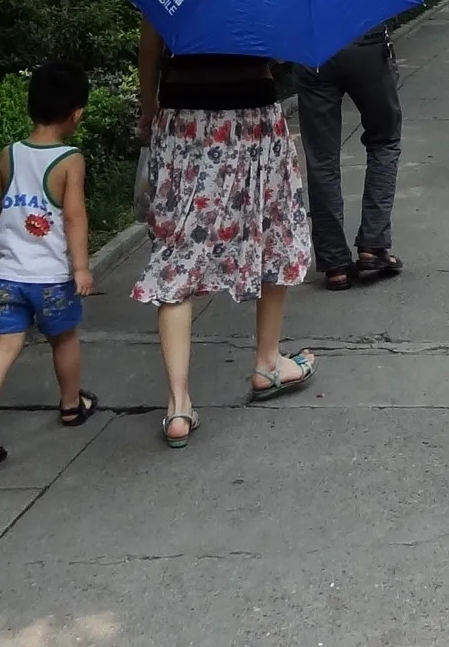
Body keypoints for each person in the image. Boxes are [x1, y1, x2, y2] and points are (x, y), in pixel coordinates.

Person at [133, 25, 315, 446]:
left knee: (178, 254)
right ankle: (268, 363)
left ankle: (178, 404)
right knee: (273, 231)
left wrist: (149, 107)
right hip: (255, 120)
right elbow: (279, 49)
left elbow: (149, 47)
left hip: (184, 121)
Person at [0, 59, 96, 467]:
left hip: (7, 274)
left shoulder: (9, 154)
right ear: (77, 114)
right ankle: (72, 405)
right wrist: (80, 267)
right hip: (50, 278)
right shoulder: (70, 159)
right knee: (64, 338)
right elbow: (73, 216)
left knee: (3, 346)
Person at [297, 21, 405, 293]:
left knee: (322, 159)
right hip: (366, 42)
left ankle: (334, 263)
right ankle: (373, 244)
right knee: (385, 139)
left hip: (314, 47)